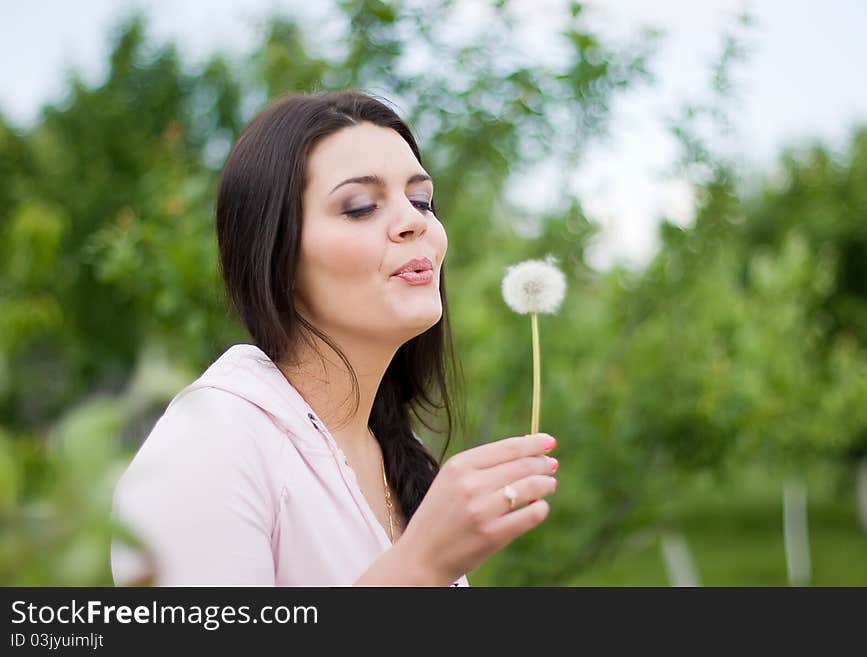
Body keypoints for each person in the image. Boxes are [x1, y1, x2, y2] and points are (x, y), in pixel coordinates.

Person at [110, 90, 560, 586]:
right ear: (275, 252)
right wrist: (422, 564)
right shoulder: (211, 441)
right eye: (361, 207)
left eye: (421, 200)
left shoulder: (398, 451)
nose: (414, 221)